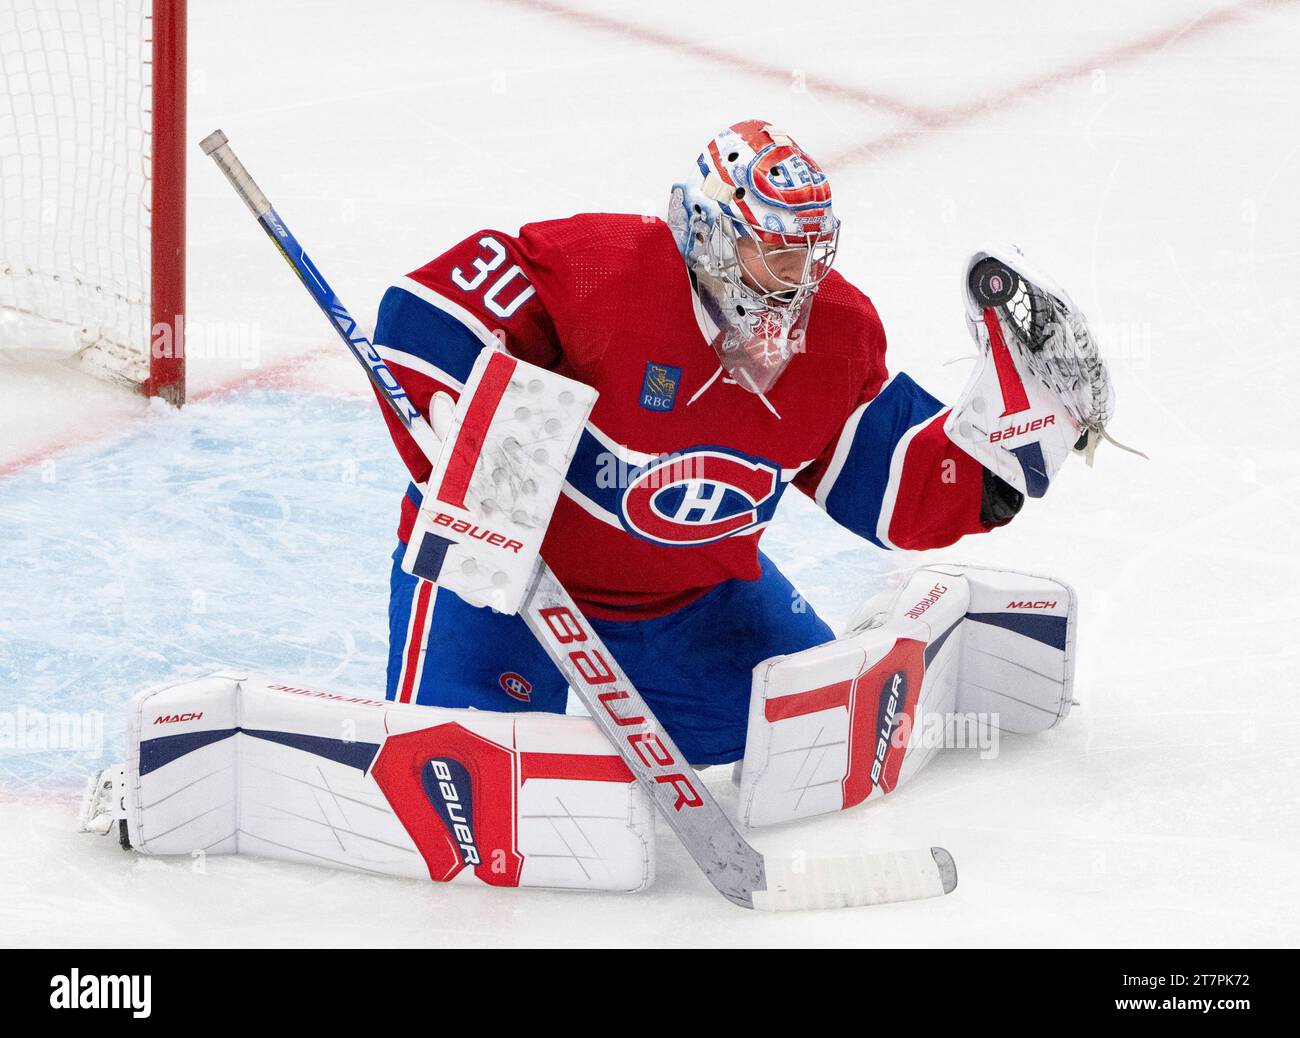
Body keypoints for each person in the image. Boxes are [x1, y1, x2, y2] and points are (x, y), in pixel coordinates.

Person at [369, 119, 1025, 765]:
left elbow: (886, 475)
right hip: (502, 581)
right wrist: (448, 398)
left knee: (811, 741)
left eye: (809, 250)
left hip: (686, 604)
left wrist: (1003, 461)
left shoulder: (836, 333)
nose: (797, 278)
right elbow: (430, 310)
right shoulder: (608, 270)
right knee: (464, 764)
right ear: (709, 232)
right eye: (774, 249)